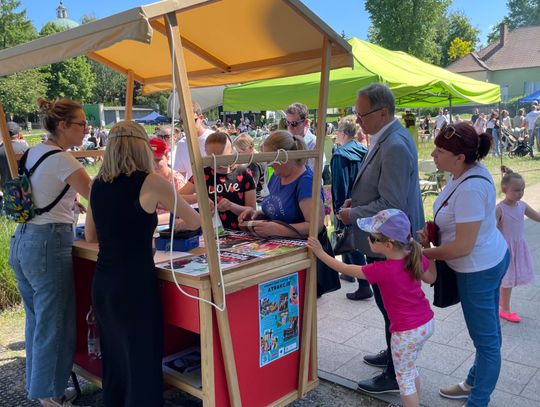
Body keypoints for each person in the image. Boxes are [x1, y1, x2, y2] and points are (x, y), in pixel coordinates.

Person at [84, 120, 200, 407]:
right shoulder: (150, 181)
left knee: (116, 362)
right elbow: (195, 220)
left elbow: (90, 234)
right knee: (142, 364)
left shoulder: (98, 184)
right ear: (141, 148)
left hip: (104, 283)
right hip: (135, 284)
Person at [338, 83, 424, 394]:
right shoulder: (385, 137)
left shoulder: (395, 144)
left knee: (392, 308)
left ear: (383, 112)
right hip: (382, 239)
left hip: (388, 241)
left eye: (362, 114)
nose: (358, 120)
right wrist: (354, 203)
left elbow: (392, 205)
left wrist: (352, 214)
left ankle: (394, 373)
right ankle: (393, 355)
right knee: (386, 306)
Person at [418, 122, 509, 407]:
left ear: (460, 157)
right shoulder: (463, 173)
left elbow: (462, 247)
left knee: (486, 341)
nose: (433, 154)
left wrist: (423, 253)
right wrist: (432, 234)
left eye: (440, 150)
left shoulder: (470, 188)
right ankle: (474, 382)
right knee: (489, 333)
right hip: (488, 258)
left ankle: (477, 399)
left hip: (477, 269)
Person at [9, 98, 92, 407]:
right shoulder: (65, 161)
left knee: (37, 322)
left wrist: (69, 203)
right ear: (62, 126)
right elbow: (100, 197)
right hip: (47, 244)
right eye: (81, 124)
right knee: (54, 324)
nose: (86, 129)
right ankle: (50, 395)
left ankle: (40, 388)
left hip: (23, 240)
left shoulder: (31, 152)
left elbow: (43, 192)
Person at [308, 209, 436, 407]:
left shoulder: (382, 270)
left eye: (372, 237)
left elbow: (342, 268)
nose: (368, 240)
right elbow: (431, 278)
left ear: (387, 244)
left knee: (404, 379)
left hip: (406, 332)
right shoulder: (414, 254)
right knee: (410, 370)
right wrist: (427, 247)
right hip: (426, 323)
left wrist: (320, 252)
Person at [330, 116, 371, 298]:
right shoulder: (364, 150)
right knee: (355, 239)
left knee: (350, 241)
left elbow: (340, 184)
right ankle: (348, 272)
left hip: (347, 203)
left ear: (343, 133)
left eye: (337, 132)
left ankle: (364, 284)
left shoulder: (340, 155)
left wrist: (339, 208)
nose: (336, 135)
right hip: (363, 202)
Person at [180, 131, 255, 230]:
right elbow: (177, 198)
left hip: (241, 232)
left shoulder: (244, 173)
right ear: (206, 154)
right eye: (212, 158)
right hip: (212, 233)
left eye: (221, 158)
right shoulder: (202, 175)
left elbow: (252, 210)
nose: (217, 163)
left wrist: (232, 206)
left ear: (232, 152)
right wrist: (199, 198)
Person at [496, 167, 539, 322]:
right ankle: (505, 309)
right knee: (507, 279)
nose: (520, 193)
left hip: (518, 248)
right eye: (516, 190)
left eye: (522, 189)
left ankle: (502, 302)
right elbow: (491, 230)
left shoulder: (522, 206)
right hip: (505, 250)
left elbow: (537, 217)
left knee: (510, 279)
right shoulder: (500, 209)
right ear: (504, 189)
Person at [149, 137, 186, 225]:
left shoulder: (176, 180)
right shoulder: (146, 178)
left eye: (157, 160)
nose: (153, 164)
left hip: (168, 230)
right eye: (149, 160)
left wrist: (152, 220)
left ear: (167, 157)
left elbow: (182, 210)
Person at [173, 101, 213, 179]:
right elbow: (180, 175)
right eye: (182, 121)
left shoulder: (215, 138)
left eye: (192, 120)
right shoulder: (182, 144)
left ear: (201, 118)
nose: (187, 124)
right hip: (193, 189)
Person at [285, 102, 326, 173]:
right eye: (287, 123)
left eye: (294, 124)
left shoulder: (314, 143)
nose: (290, 127)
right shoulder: (286, 141)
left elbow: (314, 174)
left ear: (306, 122)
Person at [232, 133, 268, 203]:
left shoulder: (254, 164)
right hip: (262, 198)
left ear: (250, 148)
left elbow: (251, 186)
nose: (238, 156)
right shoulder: (260, 158)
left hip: (256, 201)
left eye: (240, 152)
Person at [0, 121, 29, 192]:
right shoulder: (25, 146)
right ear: (18, 134)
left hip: (8, 190)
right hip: (26, 189)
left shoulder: (1, 149)